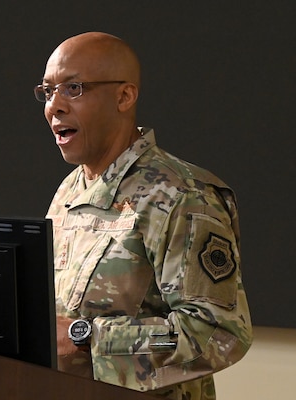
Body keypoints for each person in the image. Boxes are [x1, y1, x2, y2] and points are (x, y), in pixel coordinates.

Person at [34, 32, 252, 400]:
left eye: (73, 88)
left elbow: (220, 333)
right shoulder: (70, 190)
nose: (54, 106)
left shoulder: (183, 195)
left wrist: (87, 337)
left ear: (124, 96)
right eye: (48, 90)